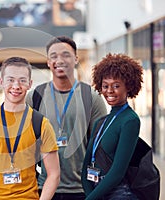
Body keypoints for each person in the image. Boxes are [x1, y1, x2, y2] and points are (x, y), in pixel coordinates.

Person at [26, 35, 107, 200]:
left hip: (81, 189)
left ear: (76, 59)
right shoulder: (35, 96)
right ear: (48, 62)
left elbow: (102, 146)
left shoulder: (91, 97)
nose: (59, 60)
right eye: (54, 56)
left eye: (66, 55)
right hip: (43, 188)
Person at [0, 57, 60, 200]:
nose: (16, 86)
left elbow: (54, 174)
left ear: (30, 84)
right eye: (10, 80)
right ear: (1, 82)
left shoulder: (40, 123)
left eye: (22, 80)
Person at [81, 53, 143, 199]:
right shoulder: (100, 122)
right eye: (105, 86)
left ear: (128, 87)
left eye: (116, 86)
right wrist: (90, 195)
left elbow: (117, 173)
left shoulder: (130, 120)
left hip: (119, 194)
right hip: (97, 192)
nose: (109, 91)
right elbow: (85, 167)